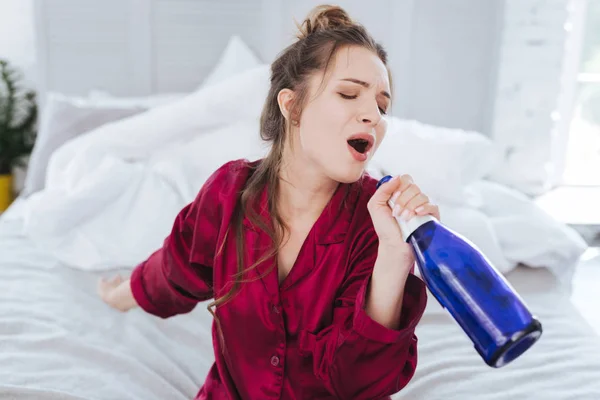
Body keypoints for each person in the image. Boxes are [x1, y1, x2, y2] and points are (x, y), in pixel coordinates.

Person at [98, 4, 440, 399]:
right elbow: (176, 269)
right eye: (349, 93)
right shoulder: (229, 194)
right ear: (291, 105)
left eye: (382, 106)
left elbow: (354, 381)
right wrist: (119, 295)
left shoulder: (376, 226)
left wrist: (394, 262)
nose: (373, 116)